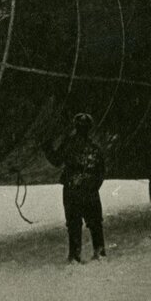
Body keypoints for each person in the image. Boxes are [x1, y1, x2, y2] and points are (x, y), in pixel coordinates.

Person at [43, 112, 107, 263]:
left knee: (74, 224)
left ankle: (75, 256)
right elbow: (101, 172)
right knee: (95, 223)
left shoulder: (69, 144)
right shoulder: (95, 149)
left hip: (72, 190)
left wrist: (47, 148)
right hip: (90, 191)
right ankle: (100, 252)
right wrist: (93, 187)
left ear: (75, 127)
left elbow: (56, 161)